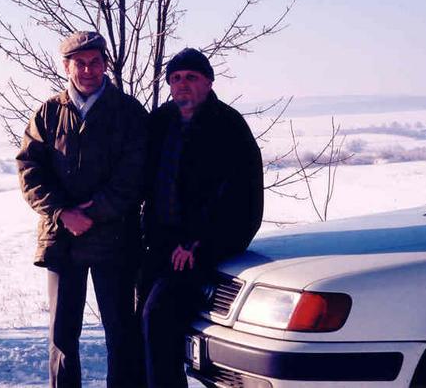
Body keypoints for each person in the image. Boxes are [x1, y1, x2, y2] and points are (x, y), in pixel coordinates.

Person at [16, 31, 147, 388]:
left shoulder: (128, 112)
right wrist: (62, 213)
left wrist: (95, 212)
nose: (88, 70)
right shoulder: (48, 112)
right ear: (66, 66)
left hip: (115, 240)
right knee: (62, 336)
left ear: (106, 64)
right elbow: (30, 170)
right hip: (62, 241)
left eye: (95, 62)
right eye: (80, 63)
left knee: (121, 333)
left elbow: (136, 173)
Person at [140, 47, 264, 388]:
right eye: (176, 79)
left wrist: (198, 242)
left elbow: (240, 198)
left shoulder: (228, 127)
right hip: (161, 243)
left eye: (191, 78)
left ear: (208, 82)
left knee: (159, 315)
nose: (182, 85)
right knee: (139, 321)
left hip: (203, 247)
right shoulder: (161, 122)